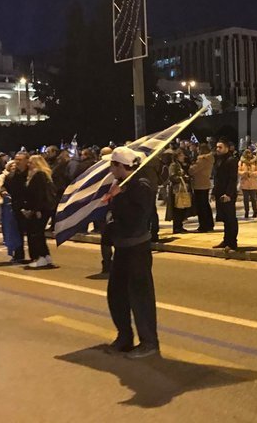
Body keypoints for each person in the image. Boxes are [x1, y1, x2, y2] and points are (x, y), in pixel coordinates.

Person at [103, 146, 159, 359]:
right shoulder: (121, 184)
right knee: (116, 294)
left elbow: (137, 218)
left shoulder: (140, 185)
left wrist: (120, 197)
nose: (110, 169)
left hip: (137, 248)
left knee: (140, 296)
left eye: (112, 165)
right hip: (122, 247)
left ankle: (149, 342)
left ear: (120, 165)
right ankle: (124, 337)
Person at [22, 155, 57, 269]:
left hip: (40, 209)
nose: (28, 164)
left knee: (36, 234)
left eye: (31, 162)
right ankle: (46, 256)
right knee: (39, 234)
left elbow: (39, 194)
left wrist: (35, 210)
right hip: (43, 208)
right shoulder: (44, 174)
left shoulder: (39, 175)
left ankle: (41, 257)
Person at [212, 139, 239, 250]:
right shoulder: (218, 159)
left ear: (227, 148)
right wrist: (214, 192)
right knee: (224, 218)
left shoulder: (231, 160)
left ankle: (232, 242)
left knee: (230, 218)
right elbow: (217, 178)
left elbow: (233, 179)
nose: (218, 149)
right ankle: (226, 240)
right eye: (217, 147)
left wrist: (228, 194)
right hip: (219, 192)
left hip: (227, 194)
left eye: (220, 147)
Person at [189, 144, 215, 232]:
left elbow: (192, 170)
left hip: (199, 184)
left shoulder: (202, 159)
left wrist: (190, 166)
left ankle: (203, 226)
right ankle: (209, 224)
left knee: (201, 206)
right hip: (205, 183)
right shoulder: (209, 158)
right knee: (205, 205)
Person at [166, 150, 192, 234]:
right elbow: (172, 177)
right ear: (177, 156)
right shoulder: (174, 165)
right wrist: (183, 178)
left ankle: (180, 226)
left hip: (182, 189)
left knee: (181, 208)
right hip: (177, 190)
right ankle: (177, 227)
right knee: (177, 209)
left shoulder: (181, 165)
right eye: (181, 155)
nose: (183, 157)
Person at [238, 148, 257, 218]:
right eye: (247, 153)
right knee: (245, 199)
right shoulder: (241, 162)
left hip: (253, 183)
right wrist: (243, 173)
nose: (248, 154)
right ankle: (246, 212)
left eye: (249, 153)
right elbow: (238, 171)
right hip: (244, 183)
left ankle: (255, 211)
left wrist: (252, 174)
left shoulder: (255, 161)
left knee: (253, 199)